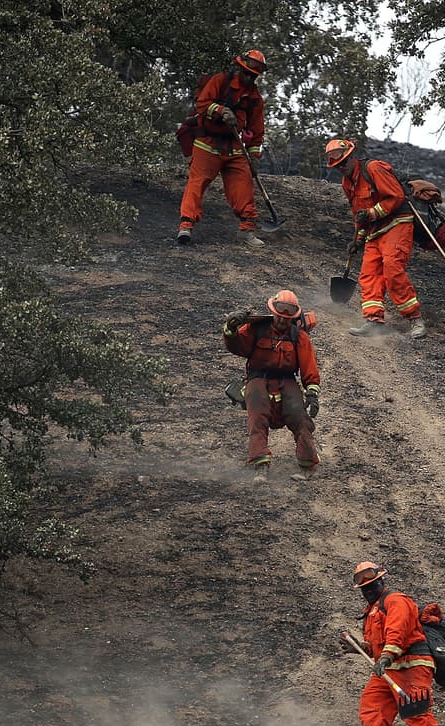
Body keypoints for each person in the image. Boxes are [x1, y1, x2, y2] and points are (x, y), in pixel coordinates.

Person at [342, 560, 445, 726]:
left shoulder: (396, 601)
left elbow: (397, 633)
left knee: (415, 707)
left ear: (382, 581)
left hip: (411, 664)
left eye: (373, 585)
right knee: (373, 703)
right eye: (365, 589)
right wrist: (361, 648)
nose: (369, 591)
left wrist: (386, 656)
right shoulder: (372, 611)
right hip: (390, 666)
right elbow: (380, 644)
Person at [324, 138, 426, 339]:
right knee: (368, 275)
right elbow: (359, 214)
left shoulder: (374, 168)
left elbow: (395, 197)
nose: (341, 167)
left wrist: (371, 214)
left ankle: (415, 319)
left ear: (351, 156)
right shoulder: (347, 183)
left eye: (343, 162)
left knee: (392, 268)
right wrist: (358, 238)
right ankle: (373, 320)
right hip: (374, 231)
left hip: (397, 223)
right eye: (337, 166)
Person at [222, 289, 321, 480]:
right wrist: (230, 329)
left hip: (287, 380)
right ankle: (260, 466)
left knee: (300, 417)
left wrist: (312, 393)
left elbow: (309, 367)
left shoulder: (298, 337)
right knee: (258, 417)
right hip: (258, 378)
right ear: (273, 312)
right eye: (279, 317)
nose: (283, 321)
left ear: (293, 317)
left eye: (287, 318)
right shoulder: (256, 329)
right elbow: (236, 346)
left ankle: (308, 466)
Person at [178, 50, 268, 247]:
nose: (249, 77)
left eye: (253, 75)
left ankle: (246, 231)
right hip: (207, 144)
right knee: (196, 184)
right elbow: (202, 103)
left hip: (235, 148)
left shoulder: (255, 100)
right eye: (246, 73)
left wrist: (254, 157)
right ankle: (186, 226)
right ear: (239, 68)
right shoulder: (220, 81)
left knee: (243, 187)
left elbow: (257, 130)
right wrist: (220, 111)